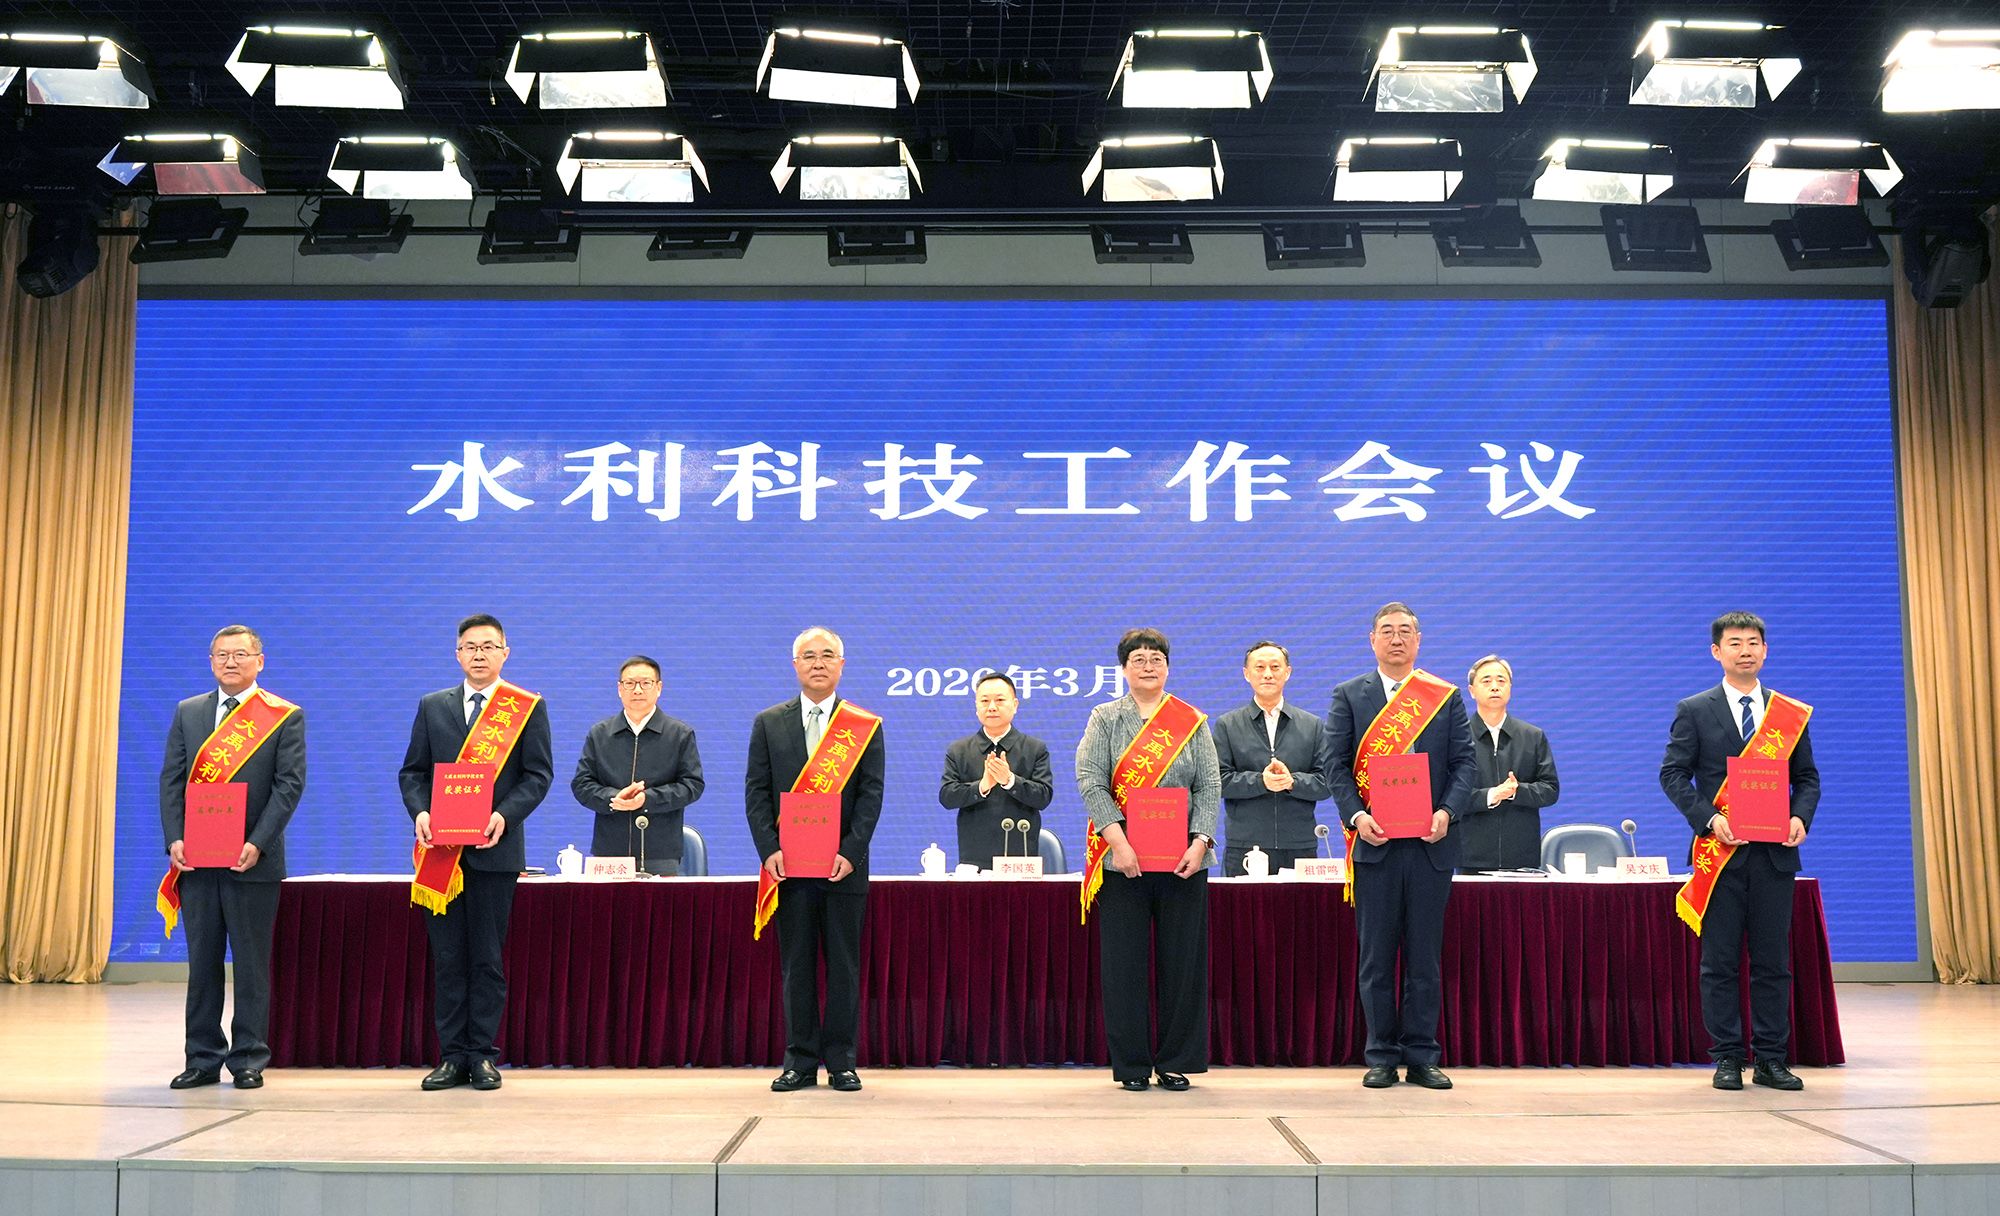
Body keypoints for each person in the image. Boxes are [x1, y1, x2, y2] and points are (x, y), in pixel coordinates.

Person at [1660, 611, 1820, 1093]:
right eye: (1734, 643)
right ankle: (1727, 1057)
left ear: (1765, 650)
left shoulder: (1788, 714)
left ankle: (1771, 1059)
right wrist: (1711, 818)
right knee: (1720, 963)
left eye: (1753, 642)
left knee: (1773, 964)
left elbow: (1807, 778)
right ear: (1717, 652)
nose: (1745, 650)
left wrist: (1800, 817)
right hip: (1721, 854)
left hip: (1774, 856)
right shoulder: (1695, 709)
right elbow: (1672, 774)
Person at [1319, 602, 1475, 1090]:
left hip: (1431, 845)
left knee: (1424, 959)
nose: (1396, 639)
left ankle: (1423, 1056)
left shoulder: (1443, 697)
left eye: (1405, 631)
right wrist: (1356, 815)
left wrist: (1446, 812)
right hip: (1376, 845)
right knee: (1377, 959)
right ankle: (1381, 1055)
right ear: (1372, 640)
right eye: (1386, 631)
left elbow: (1465, 764)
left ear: (1418, 640)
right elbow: (1334, 764)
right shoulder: (1350, 695)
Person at [399, 613, 553, 1092]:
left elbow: (538, 776)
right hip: (441, 853)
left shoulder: (525, 707)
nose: (479, 654)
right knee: (448, 959)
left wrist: (505, 815)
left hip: (495, 851)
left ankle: (483, 1056)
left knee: (486, 958)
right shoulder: (433, 706)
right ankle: (451, 1057)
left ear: (506, 652)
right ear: (457, 654)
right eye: (470, 646)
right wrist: (420, 812)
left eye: (488, 646)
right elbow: (413, 772)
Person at [157, 625, 306, 1090]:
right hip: (197, 862)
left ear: (260, 661)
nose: (230, 662)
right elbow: (172, 780)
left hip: (253, 861)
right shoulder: (189, 712)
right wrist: (174, 839)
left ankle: (247, 1059)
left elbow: (288, 786)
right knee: (202, 965)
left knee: (251, 965)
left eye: (240, 654)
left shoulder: (283, 716)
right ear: (211, 661)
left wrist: (258, 842)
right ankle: (202, 1058)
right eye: (221, 655)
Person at [1075, 628, 1221, 1092]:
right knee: (1124, 967)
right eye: (1138, 658)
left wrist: (1200, 841)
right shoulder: (1105, 717)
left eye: (1156, 658)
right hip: (1123, 863)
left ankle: (1177, 1061)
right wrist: (1118, 843)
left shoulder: (1191, 721)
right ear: (1123, 669)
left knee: (1183, 965)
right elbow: (1090, 779)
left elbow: (1209, 785)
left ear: (1168, 667)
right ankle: (1132, 1065)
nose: (1148, 666)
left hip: (1184, 862)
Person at [745, 627, 886, 1093]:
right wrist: (769, 850)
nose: (818, 663)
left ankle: (842, 1061)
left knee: (844, 968)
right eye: (809, 656)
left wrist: (851, 851)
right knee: (797, 969)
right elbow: (756, 793)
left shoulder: (863, 725)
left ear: (842, 665)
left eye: (828, 655)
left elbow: (871, 797)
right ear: (795, 665)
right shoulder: (769, 722)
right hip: (789, 869)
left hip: (844, 869)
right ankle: (800, 1062)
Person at [570, 655, 705, 873]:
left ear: (659, 688)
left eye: (646, 683)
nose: (637, 690)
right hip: (609, 851)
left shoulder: (679, 734)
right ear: (619, 689)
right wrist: (614, 798)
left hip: (661, 852)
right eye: (630, 683)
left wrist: (647, 799)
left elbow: (692, 786)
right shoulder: (600, 733)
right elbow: (581, 784)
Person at [1210, 641, 1331, 875]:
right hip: (1245, 846)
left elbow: (1326, 782)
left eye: (1275, 667)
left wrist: (1292, 782)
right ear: (1246, 674)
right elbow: (1218, 781)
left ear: (1288, 672)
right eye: (1259, 667)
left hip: (1299, 845)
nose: (1267, 674)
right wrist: (1260, 781)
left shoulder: (1312, 725)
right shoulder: (1228, 725)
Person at [937, 671, 1055, 869]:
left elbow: (1043, 797)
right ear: (976, 707)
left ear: (1015, 705)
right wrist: (982, 786)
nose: (992, 707)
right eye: (984, 701)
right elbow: (947, 797)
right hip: (974, 858)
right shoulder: (959, 750)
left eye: (1000, 700)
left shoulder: (1035, 749)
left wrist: (1009, 781)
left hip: (1021, 858)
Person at [1459, 655, 1560, 872]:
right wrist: (1490, 795)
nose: (1495, 686)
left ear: (1510, 689)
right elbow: (1448, 794)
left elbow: (1550, 790)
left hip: (1522, 858)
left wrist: (1516, 791)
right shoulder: (1458, 737)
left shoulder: (1533, 736)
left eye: (1501, 680)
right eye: (1486, 681)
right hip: (1471, 858)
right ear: (1471, 691)